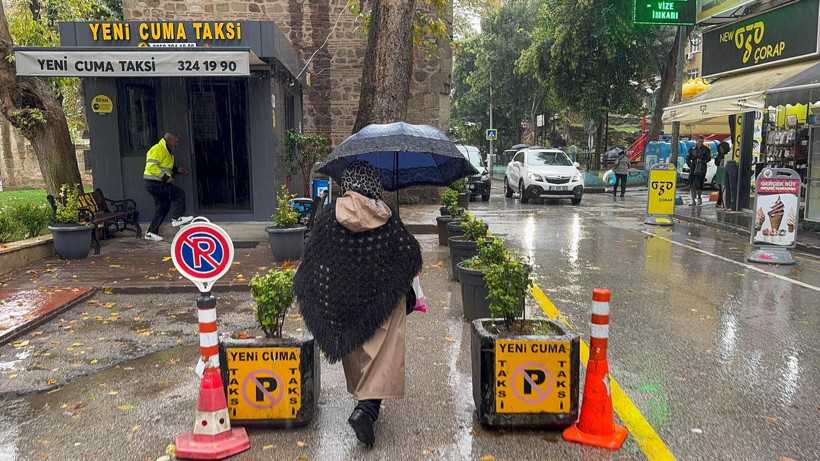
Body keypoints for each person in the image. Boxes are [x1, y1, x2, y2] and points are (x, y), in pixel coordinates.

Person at [293, 160, 423, 448]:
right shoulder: (387, 218)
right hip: (382, 302)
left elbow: (311, 264)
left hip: (343, 300)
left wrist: (326, 293)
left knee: (357, 354)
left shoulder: (329, 217)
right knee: (382, 354)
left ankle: (365, 406)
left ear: (348, 184)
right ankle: (367, 409)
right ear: (373, 185)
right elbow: (410, 254)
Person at [143, 132, 193, 241]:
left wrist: (176, 170)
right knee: (179, 194)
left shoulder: (166, 150)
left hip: (155, 183)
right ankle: (176, 218)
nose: (176, 144)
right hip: (155, 183)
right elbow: (151, 167)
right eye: (175, 142)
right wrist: (166, 178)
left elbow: (165, 167)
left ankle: (151, 232)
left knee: (163, 206)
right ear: (169, 139)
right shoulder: (158, 149)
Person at [686, 135, 711, 206]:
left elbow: (708, 158)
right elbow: (688, 157)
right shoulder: (692, 149)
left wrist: (702, 161)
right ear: (696, 141)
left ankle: (699, 197)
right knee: (692, 184)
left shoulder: (706, 149)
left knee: (699, 184)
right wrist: (689, 164)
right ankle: (693, 200)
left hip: (701, 168)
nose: (700, 143)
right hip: (693, 168)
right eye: (699, 141)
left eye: (702, 141)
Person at [714, 142, 729, 208]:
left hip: (724, 171)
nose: (721, 149)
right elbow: (716, 162)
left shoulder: (727, 155)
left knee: (723, 188)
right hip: (720, 171)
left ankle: (721, 202)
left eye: (722, 148)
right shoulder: (719, 155)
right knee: (720, 188)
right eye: (720, 148)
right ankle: (720, 201)